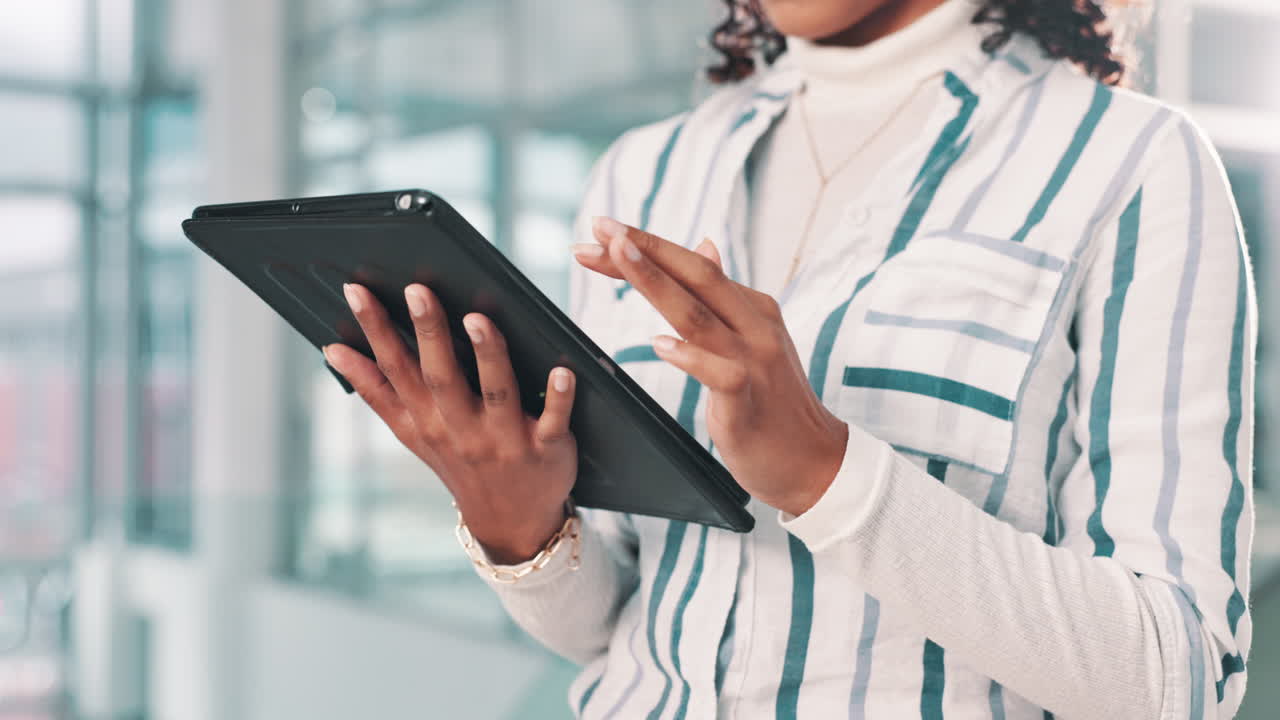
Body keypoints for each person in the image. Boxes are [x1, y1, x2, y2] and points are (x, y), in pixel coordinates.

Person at [321, 0, 1255, 716]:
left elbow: (1178, 677)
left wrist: (828, 474)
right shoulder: (646, 172)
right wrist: (518, 527)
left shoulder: (1129, 161)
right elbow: (614, 623)